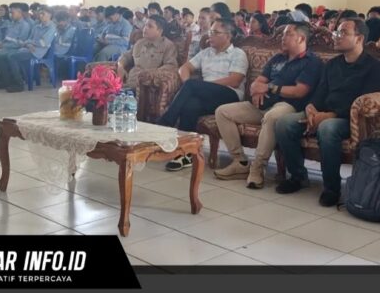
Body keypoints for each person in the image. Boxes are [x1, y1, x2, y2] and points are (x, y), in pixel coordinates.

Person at [274, 18, 380, 205]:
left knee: (328, 128)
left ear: (359, 38)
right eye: (336, 31)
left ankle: (331, 188)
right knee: (284, 123)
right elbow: (320, 92)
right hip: (324, 113)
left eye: (343, 33)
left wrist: (330, 116)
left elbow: (367, 105)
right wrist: (311, 108)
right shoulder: (333, 64)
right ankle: (297, 176)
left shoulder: (375, 69)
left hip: (350, 120)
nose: (336, 36)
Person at [214, 23, 321, 189]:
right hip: (262, 104)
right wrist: (256, 90)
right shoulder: (277, 58)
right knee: (222, 112)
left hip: (288, 105)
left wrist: (271, 88)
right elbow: (258, 82)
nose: (282, 38)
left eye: (287, 34)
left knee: (271, 117)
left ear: (301, 38)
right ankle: (240, 162)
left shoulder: (311, 61)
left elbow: (299, 91)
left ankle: (257, 168)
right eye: (282, 34)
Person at [157, 18, 248, 171]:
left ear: (228, 35)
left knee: (192, 86)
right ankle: (186, 154)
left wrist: (198, 86)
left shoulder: (238, 54)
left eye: (215, 32)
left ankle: (165, 123)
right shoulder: (206, 53)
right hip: (205, 95)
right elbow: (183, 68)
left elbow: (235, 80)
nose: (209, 35)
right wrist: (191, 86)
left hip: (229, 96)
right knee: (190, 105)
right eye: (210, 32)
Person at [0, 6, 57, 93]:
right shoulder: (37, 27)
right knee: (4, 56)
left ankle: (19, 84)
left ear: (50, 15)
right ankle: (7, 81)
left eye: (43, 14)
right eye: (39, 13)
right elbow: (28, 40)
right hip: (29, 49)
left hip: (38, 52)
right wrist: (29, 44)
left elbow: (43, 43)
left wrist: (31, 43)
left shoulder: (52, 27)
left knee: (12, 57)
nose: (40, 16)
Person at [119, 15, 178, 89]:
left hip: (147, 87)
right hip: (128, 84)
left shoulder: (167, 45)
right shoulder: (140, 43)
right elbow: (126, 56)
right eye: (145, 25)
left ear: (160, 31)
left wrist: (150, 74)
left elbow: (171, 66)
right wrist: (120, 66)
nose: (145, 28)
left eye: (150, 26)